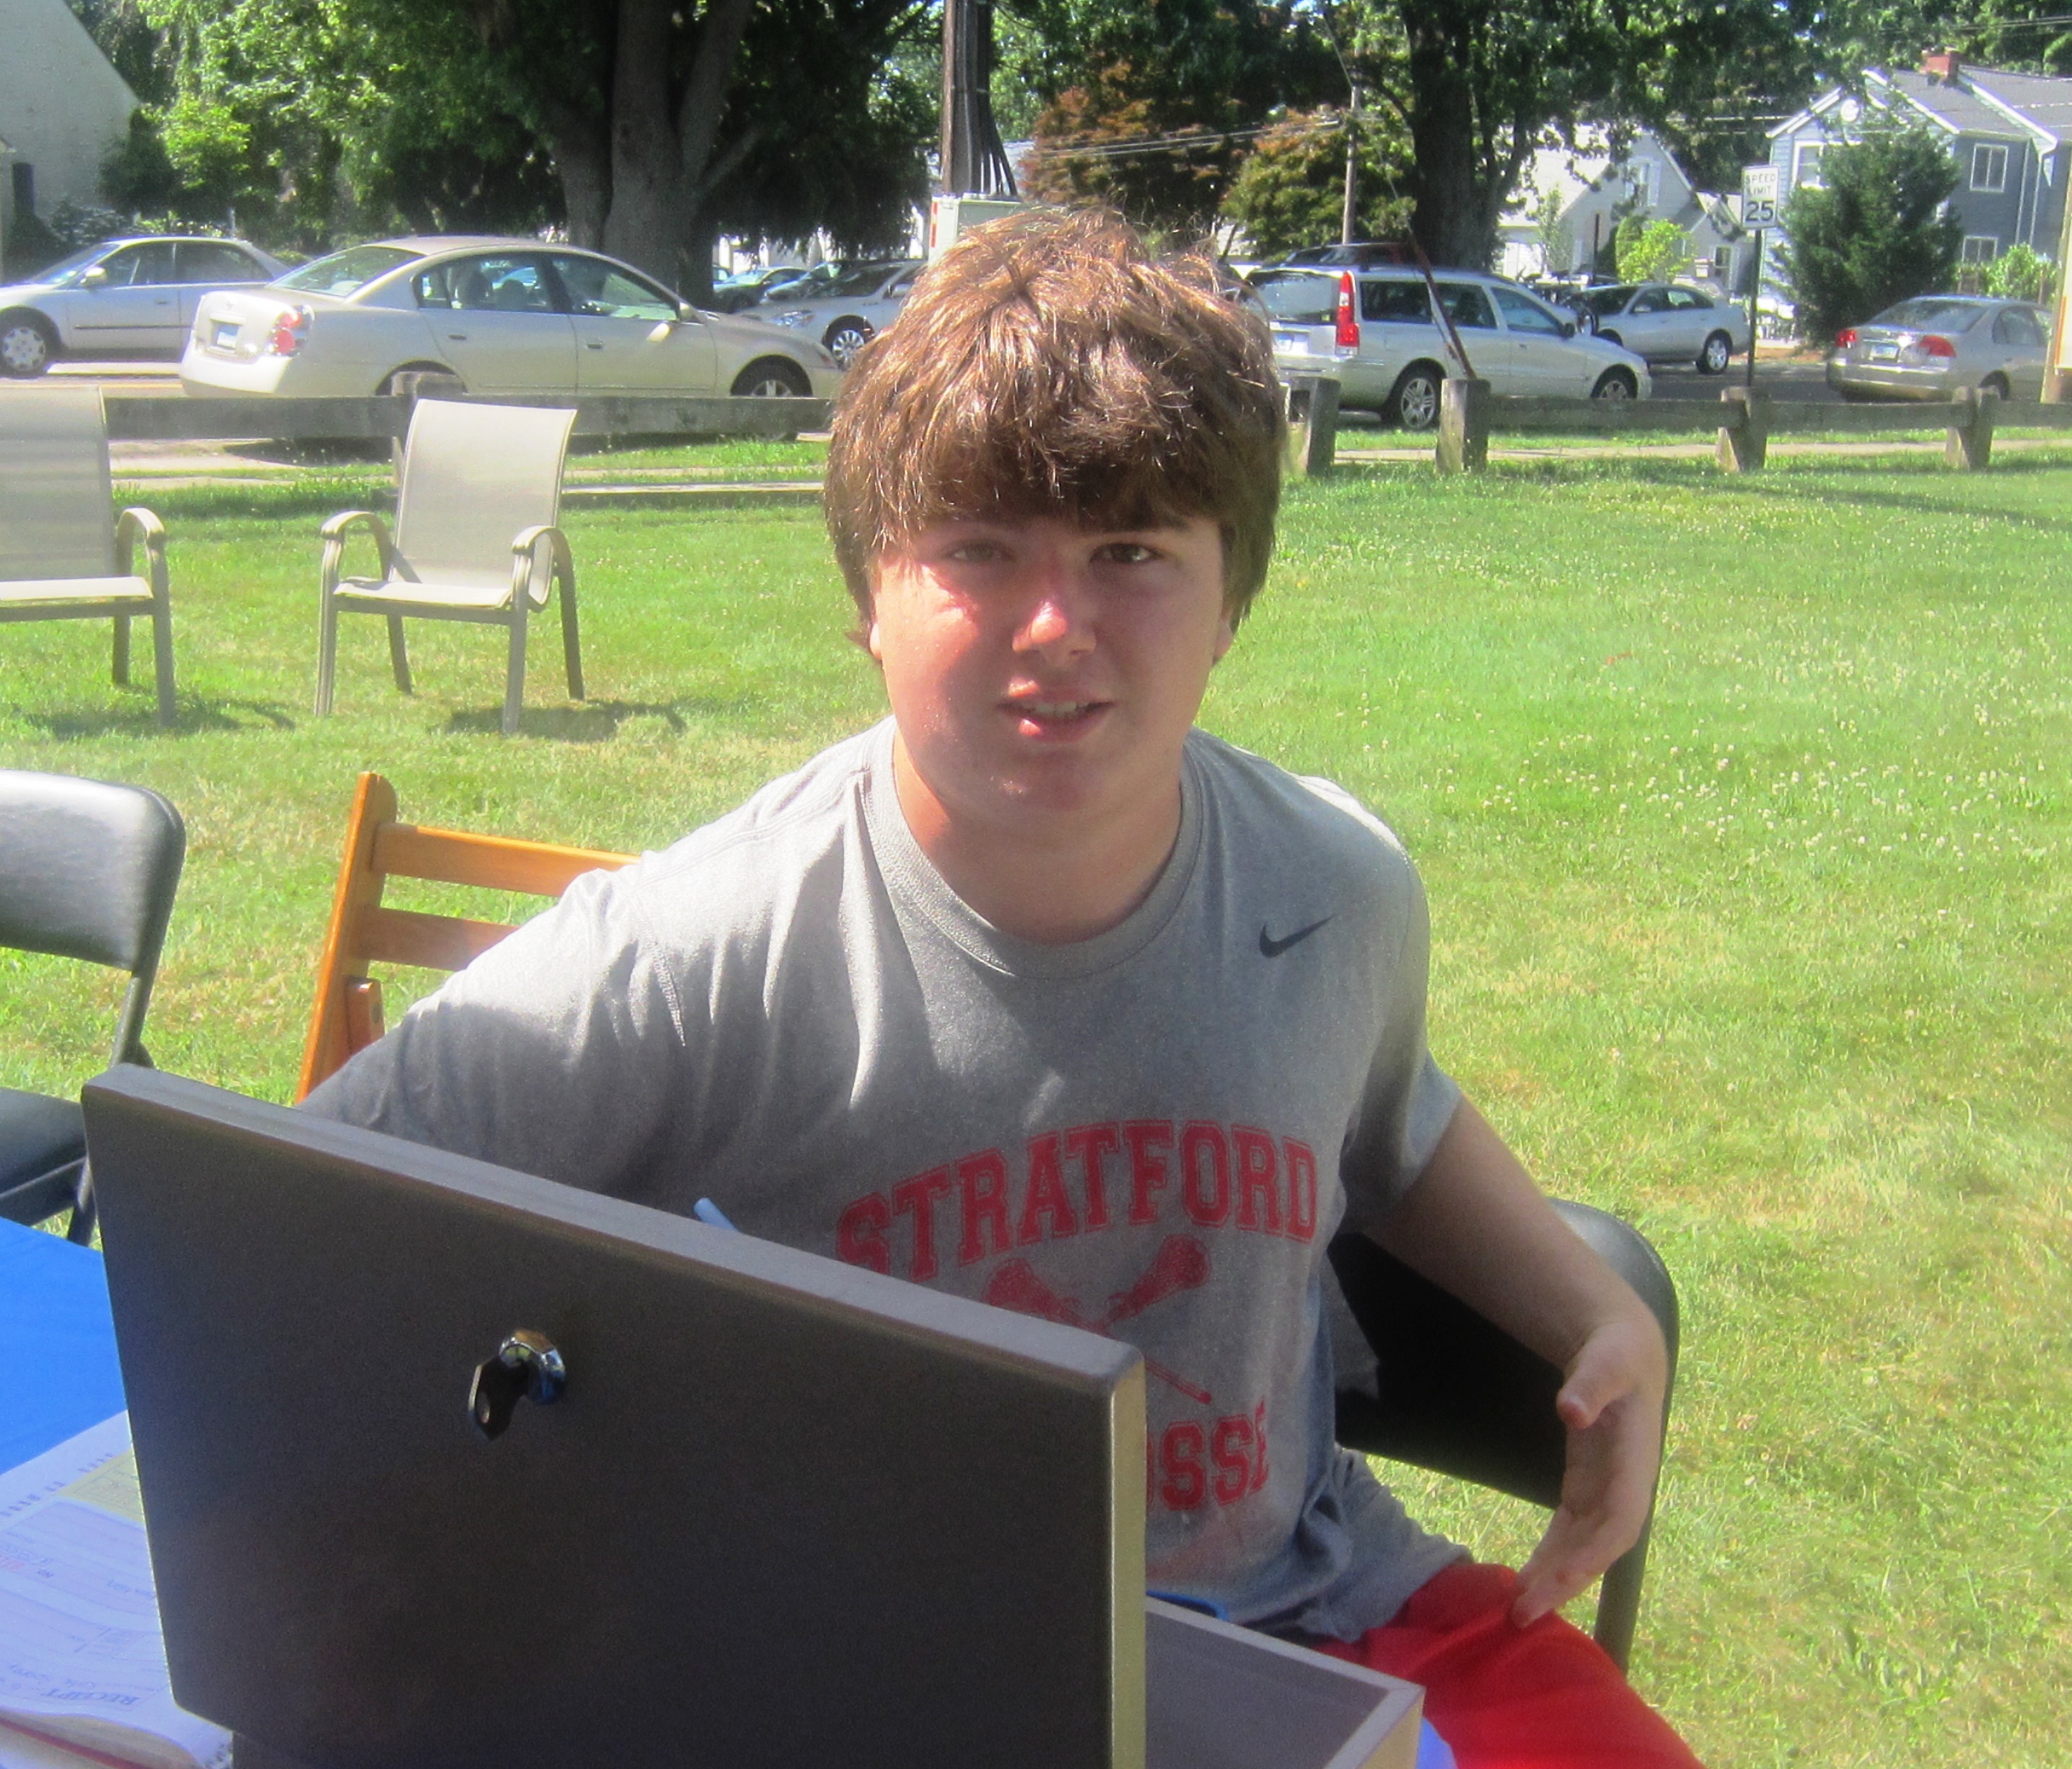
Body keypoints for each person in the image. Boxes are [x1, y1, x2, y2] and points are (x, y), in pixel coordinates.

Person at [304, 208, 1698, 1769]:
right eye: (977, 550)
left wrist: (1594, 1312)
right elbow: (302, 1219)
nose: (1056, 630)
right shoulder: (701, 946)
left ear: (1231, 594)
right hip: (887, 1672)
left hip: (1313, 1621)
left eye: (1133, 553)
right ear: (867, 598)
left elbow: (1388, 1121)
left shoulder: (1334, 889)